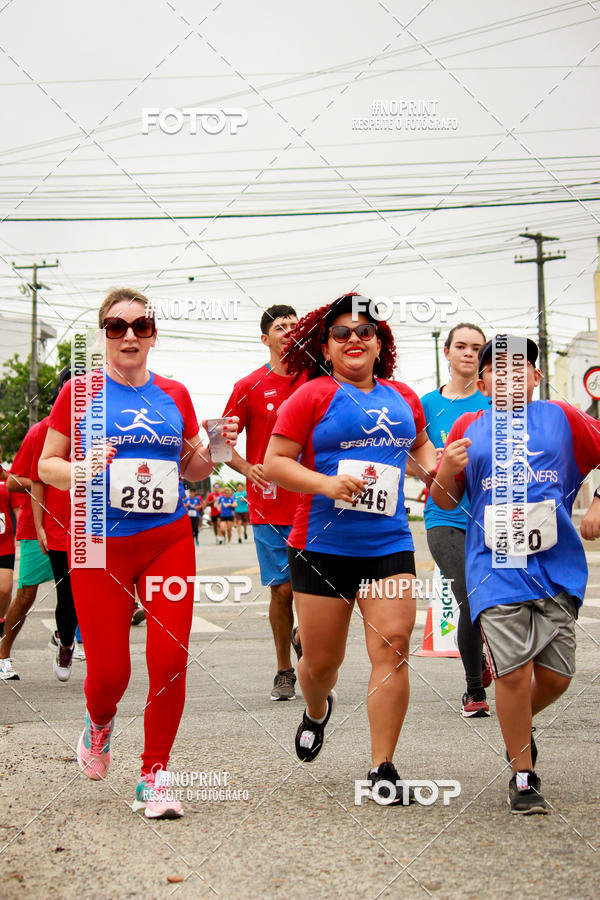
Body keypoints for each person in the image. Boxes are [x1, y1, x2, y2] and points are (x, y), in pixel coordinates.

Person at [39, 287, 238, 820]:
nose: (129, 335)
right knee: (110, 674)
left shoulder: (175, 392)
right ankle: (99, 722)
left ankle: (154, 775)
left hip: (167, 539)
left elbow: (194, 470)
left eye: (141, 325)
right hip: (98, 542)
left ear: (153, 334)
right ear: (103, 334)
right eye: (116, 326)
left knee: (169, 660)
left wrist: (216, 446)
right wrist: (82, 470)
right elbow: (46, 466)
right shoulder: (78, 393)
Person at [264, 293, 436, 803]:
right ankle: (317, 709)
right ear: (327, 345)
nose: (355, 339)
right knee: (320, 665)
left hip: (387, 544)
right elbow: (275, 461)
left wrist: (436, 467)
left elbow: (421, 449)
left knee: (394, 647)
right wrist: (325, 484)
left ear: (381, 344)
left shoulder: (403, 396)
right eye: (342, 333)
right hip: (320, 546)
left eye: (365, 332)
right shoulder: (312, 396)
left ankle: (382, 766)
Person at [431, 334, 600, 814]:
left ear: (536, 377)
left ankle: (516, 729)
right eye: (496, 368)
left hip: (555, 565)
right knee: (511, 670)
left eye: (519, 366)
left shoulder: (562, 418)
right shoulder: (469, 424)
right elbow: (443, 501)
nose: (508, 374)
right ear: (482, 380)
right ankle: (523, 776)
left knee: (557, 676)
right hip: (494, 564)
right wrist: (449, 469)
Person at [224, 304, 306, 701]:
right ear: (265, 338)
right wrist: (247, 468)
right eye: (280, 326)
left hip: (315, 503)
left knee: (315, 589)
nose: (289, 331)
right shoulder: (247, 386)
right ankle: (283, 669)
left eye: (295, 325)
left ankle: (303, 634)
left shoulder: (318, 379)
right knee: (283, 591)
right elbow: (221, 444)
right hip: (269, 505)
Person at [418, 323, 492, 717]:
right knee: (470, 595)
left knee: (493, 600)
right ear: (446, 352)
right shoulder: (427, 404)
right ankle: (474, 689)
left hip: (492, 516)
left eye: (476, 348)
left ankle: (488, 654)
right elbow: (413, 454)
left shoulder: (495, 402)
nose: (467, 353)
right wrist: (432, 470)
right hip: (445, 515)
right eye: (460, 346)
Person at [31, 368, 84, 682]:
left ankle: (94, 646)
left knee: (94, 592)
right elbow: (37, 480)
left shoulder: (105, 424)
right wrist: (39, 524)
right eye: (69, 386)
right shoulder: (46, 430)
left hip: (97, 527)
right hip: (59, 528)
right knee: (66, 595)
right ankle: (65, 642)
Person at [0, 421, 56, 680]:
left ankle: (63, 636)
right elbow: (12, 482)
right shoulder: (39, 431)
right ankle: (3, 654)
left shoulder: (98, 427)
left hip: (79, 525)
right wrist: (44, 479)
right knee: (25, 595)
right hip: (37, 528)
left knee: (84, 588)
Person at [0, 481, 18, 642]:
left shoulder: (9, 479)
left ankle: (0, 619)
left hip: (4, 542)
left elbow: (18, 509)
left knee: (4, 589)